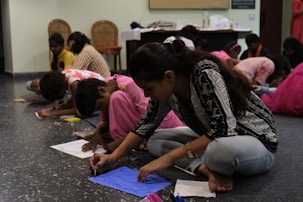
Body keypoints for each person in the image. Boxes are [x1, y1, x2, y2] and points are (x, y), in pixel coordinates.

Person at [90, 40, 277, 193]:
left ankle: (213, 162)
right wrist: (113, 156)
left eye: (148, 89)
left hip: (256, 142)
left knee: (219, 152)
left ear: (169, 77)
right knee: (155, 140)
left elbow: (223, 129)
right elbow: (146, 124)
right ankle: (205, 168)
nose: (147, 95)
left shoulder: (204, 72)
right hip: (215, 137)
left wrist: (169, 158)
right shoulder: (166, 88)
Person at [75, 75, 183, 152]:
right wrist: (97, 134)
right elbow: (104, 120)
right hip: (142, 127)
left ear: (102, 90)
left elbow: (149, 117)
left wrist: (123, 142)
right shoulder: (107, 85)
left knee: (116, 98)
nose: (102, 110)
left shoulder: (130, 86)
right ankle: (134, 140)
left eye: (100, 106)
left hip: (161, 123)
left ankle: (133, 141)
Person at [37, 69, 104, 117]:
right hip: (90, 92)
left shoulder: (73, 83)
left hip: (100, 95)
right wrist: (68, 102)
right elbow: (77, 95)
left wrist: (51, 113)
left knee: (83, 113)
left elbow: (76, 109)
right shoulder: (63, 75)